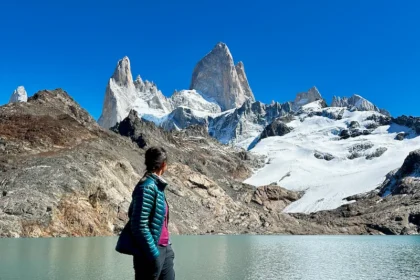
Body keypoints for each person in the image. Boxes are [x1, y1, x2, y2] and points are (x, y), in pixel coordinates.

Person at [116, 146, 175, 280]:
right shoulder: (147, 187)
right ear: (164, 165)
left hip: (164, 249)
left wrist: (167, 249)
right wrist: (153, 254)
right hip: (150, 252)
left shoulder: (156, 185)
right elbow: (139, 225)